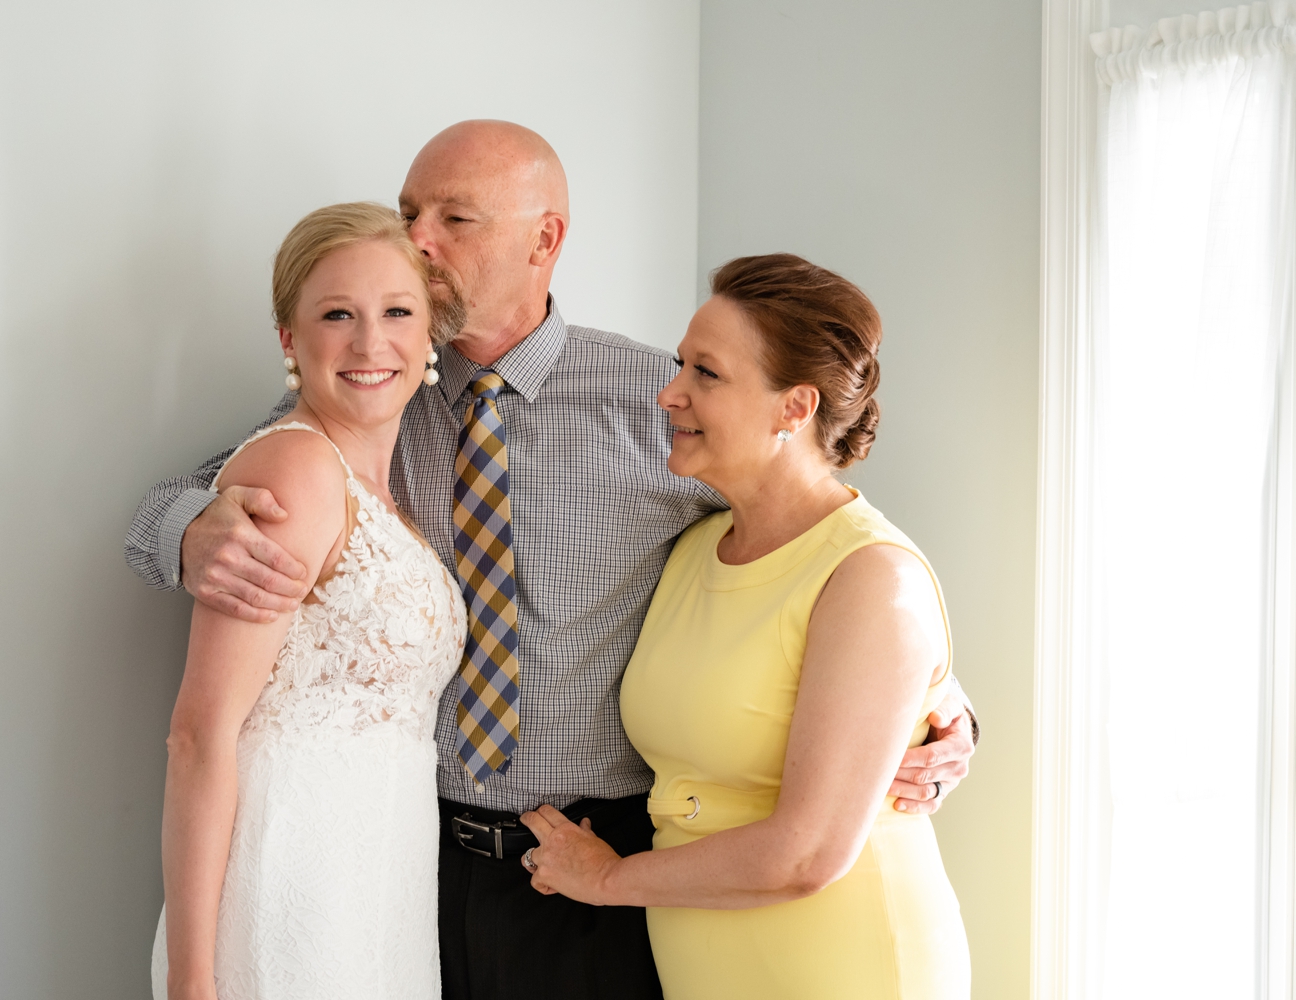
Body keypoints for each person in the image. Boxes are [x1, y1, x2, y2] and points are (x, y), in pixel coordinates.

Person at [127, 121, 978, 999]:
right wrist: (190, 534)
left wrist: (936, 706)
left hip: (594, 869)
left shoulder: (666, 403)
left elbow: (816, 544)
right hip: (411, 863)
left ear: (545, 240)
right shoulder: (379, 380)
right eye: (410, 211)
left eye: (454, 218)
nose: (417, 240)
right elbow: (178, 504)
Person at [516, 253, 970, 998]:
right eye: (679, 365)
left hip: (843, 966)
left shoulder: (872, 578)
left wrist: (607, 879)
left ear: (794, 408)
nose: (669, 395)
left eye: (707, 375)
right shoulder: (695, 546)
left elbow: (808, 853)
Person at [149, 202, 466, 1000]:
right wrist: (193, 977)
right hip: (288, 898)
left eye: (398, 312)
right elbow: (198, 734)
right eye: (337, 316)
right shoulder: (296, 471)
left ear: (430, 337)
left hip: (379, 899)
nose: (370, 344)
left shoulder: (382, 495)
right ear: (291, 340)